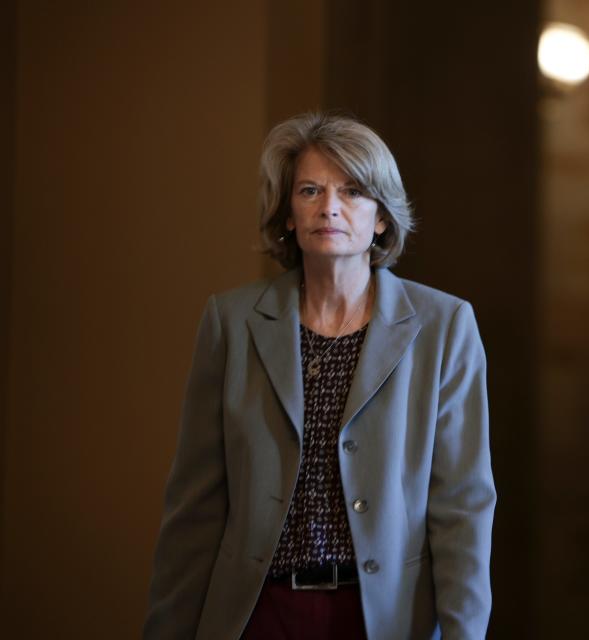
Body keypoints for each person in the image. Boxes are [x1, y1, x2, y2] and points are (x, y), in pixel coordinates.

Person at [143, 112, 496, 640]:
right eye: (310, 190)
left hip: (383, 617)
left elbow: (462, 507)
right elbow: (195, 507)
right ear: (288, 213)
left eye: (352, 191)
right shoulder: (231, 322)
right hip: (257, 613)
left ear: (381, 217)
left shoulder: (444, 327)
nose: (329, 207)